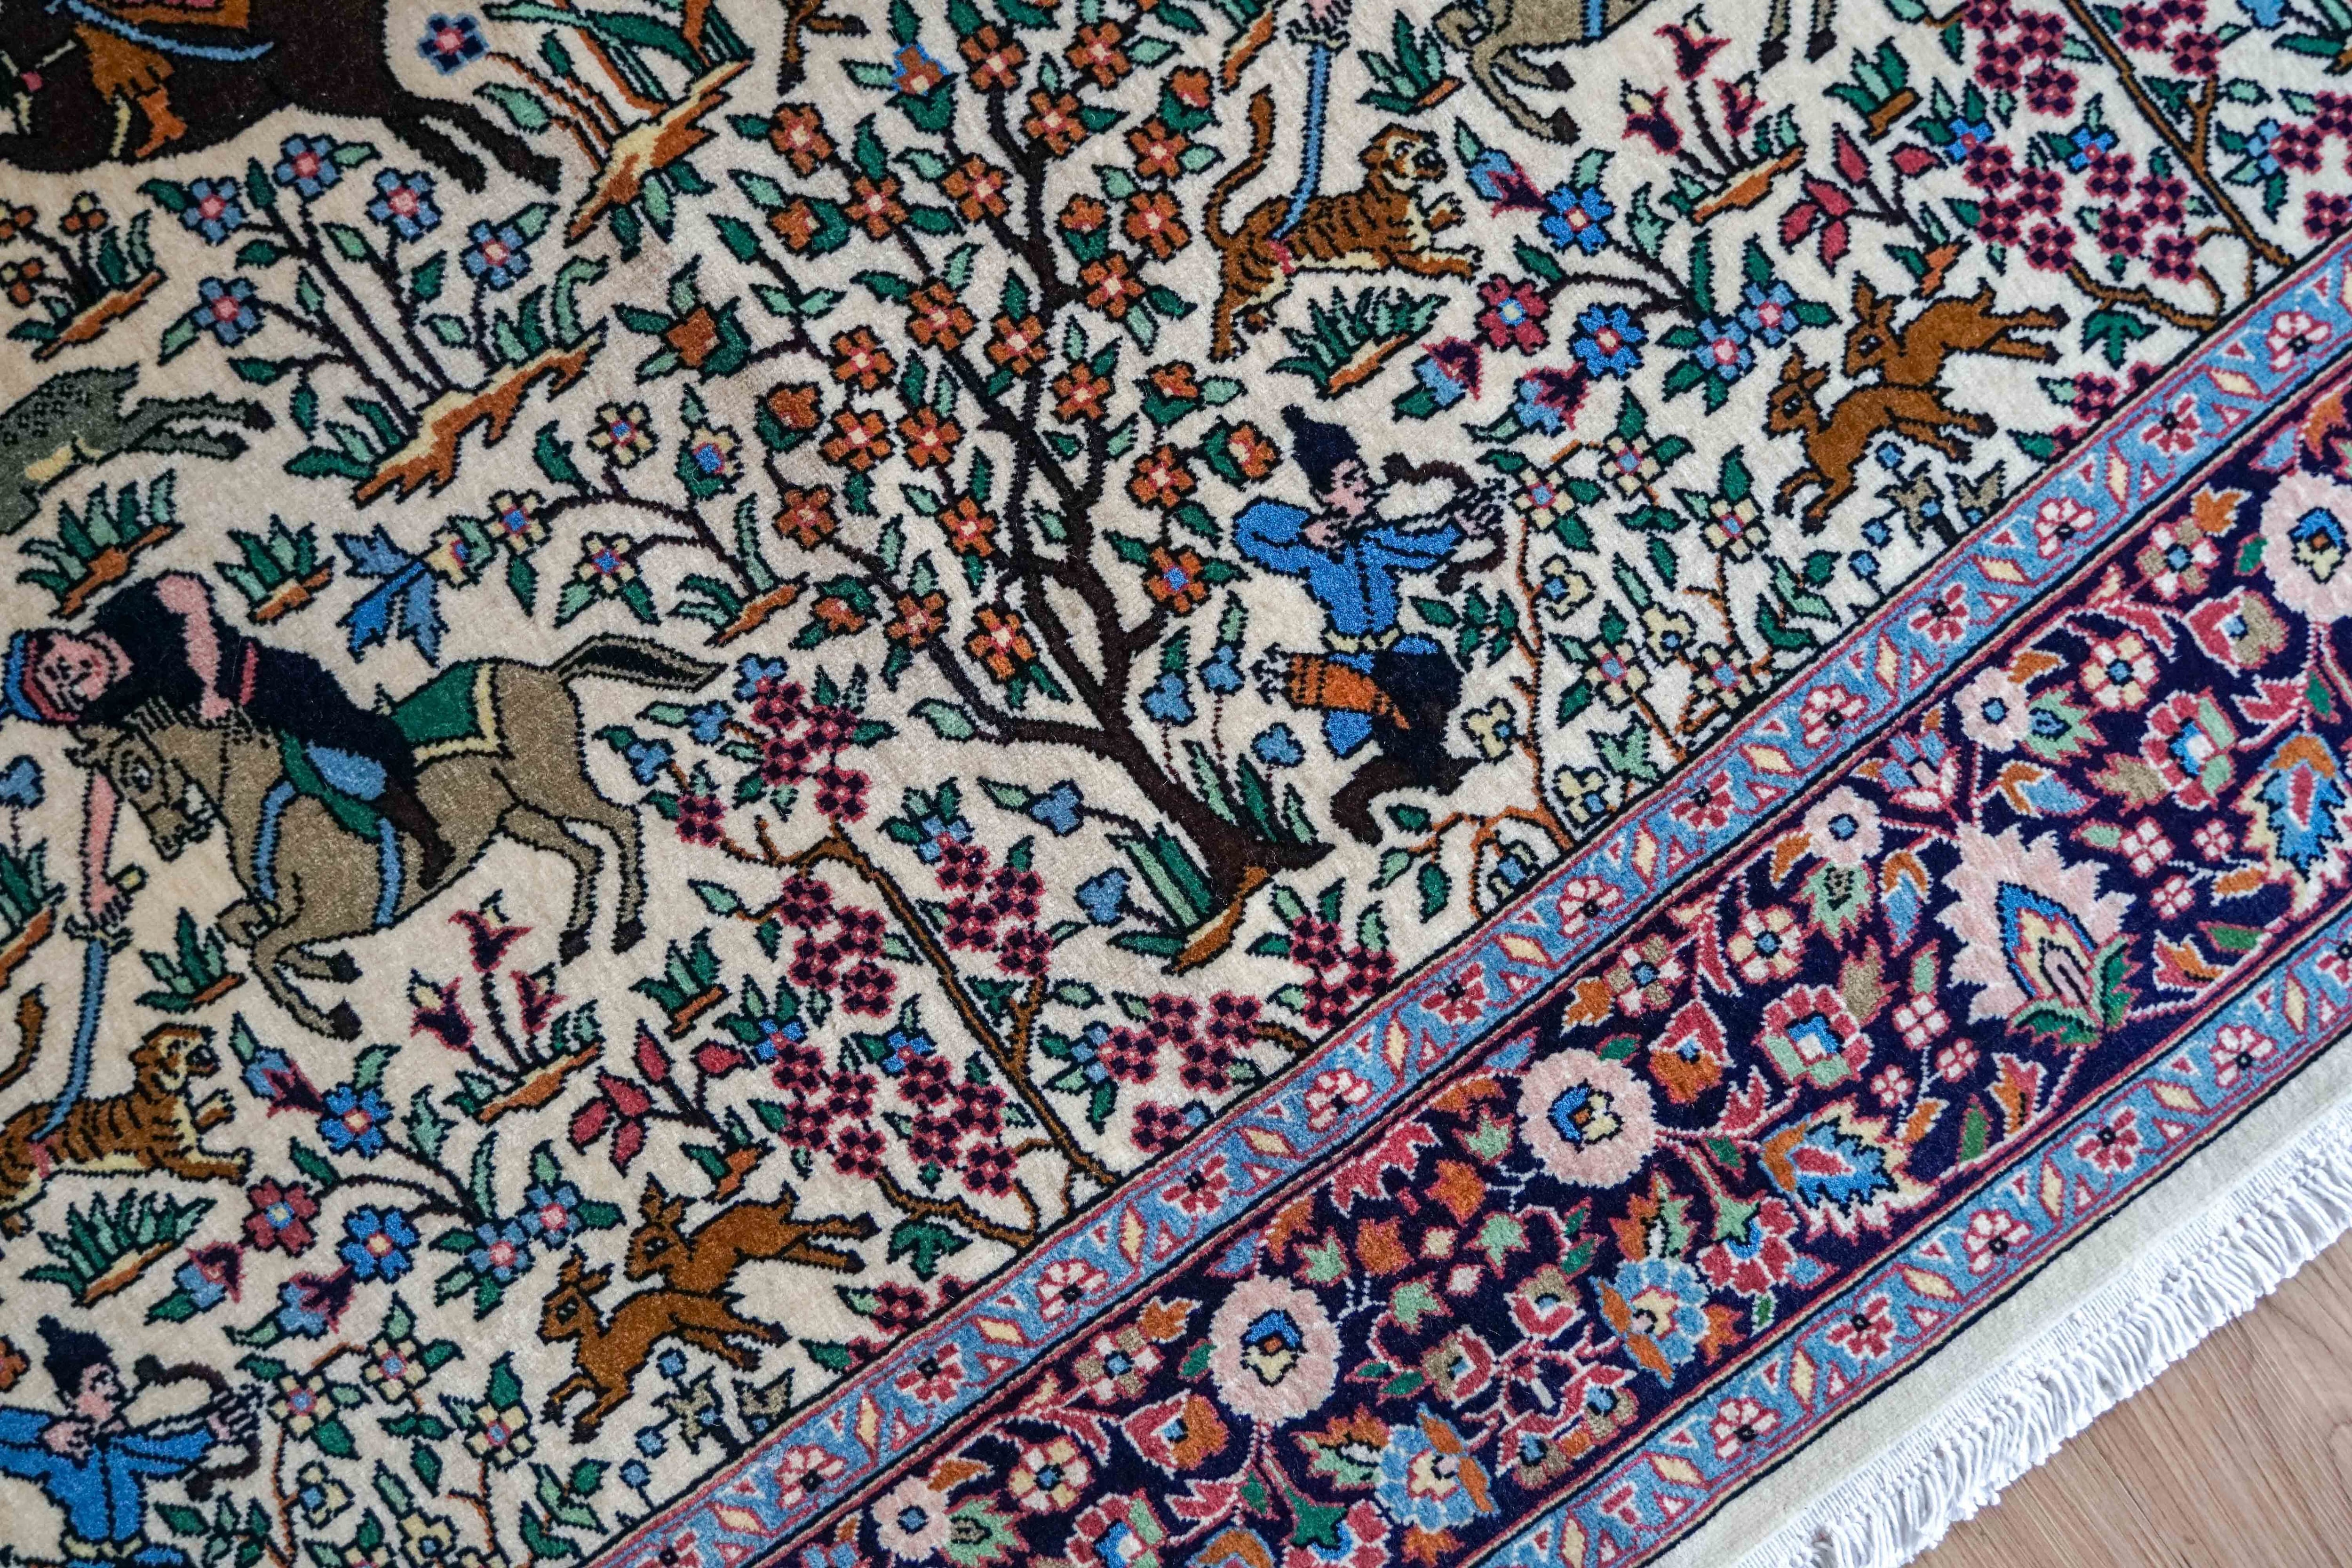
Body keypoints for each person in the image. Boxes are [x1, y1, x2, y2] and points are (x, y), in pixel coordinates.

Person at [2, 571, 454, 913]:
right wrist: (95, 878)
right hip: (237, 732)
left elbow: (187, 592)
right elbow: (108, 783)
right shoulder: (111, 706)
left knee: (338, 764)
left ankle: (432, 838)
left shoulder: (123, 615)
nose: (77, 676)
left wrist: (210, 678)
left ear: (58, 637)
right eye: (69, 692)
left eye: (60, 665)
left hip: (277, 686)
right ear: (78, 709)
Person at [1236, 406, 1500, 843]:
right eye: (1347, 482)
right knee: (1398, 713)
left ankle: (1378, 788)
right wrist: (1304, 530)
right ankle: (1385, 786)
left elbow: (1419, 548)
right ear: (1323, 497)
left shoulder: (1377, 539)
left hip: (1397, 648)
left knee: (1435, 688)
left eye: (1360, 475)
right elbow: (1249, 531)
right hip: (1352, 662)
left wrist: (1457, 529)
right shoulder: (1313, 552)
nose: (1361, 486)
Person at [0, 1317, 254, 1568]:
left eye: (112, 1380)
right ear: (70, 1399)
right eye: (98, 1385)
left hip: (140, 1555)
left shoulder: (121, 1445)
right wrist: (43, 1432)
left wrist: (211, 1431)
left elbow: (164, 1455)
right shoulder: (56, 1453)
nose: (113, 1390)